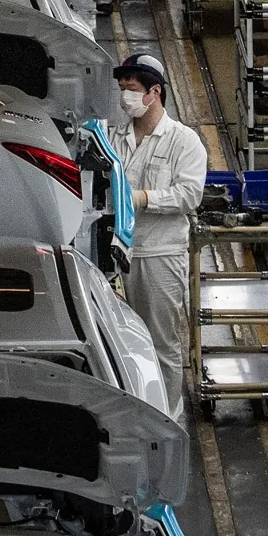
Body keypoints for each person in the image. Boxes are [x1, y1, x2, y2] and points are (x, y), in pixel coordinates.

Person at [111, 53, 206, 417]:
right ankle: (133, 407)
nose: (125, 97)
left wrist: (143, 198)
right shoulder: (113, 137)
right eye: (122, 89)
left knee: (160, 341)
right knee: (121, 339)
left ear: (155, 92)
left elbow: (189, 194)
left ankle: (167, 414)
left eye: (132, 89)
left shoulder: (183, 141)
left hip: (160, 255)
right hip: (118, 252)